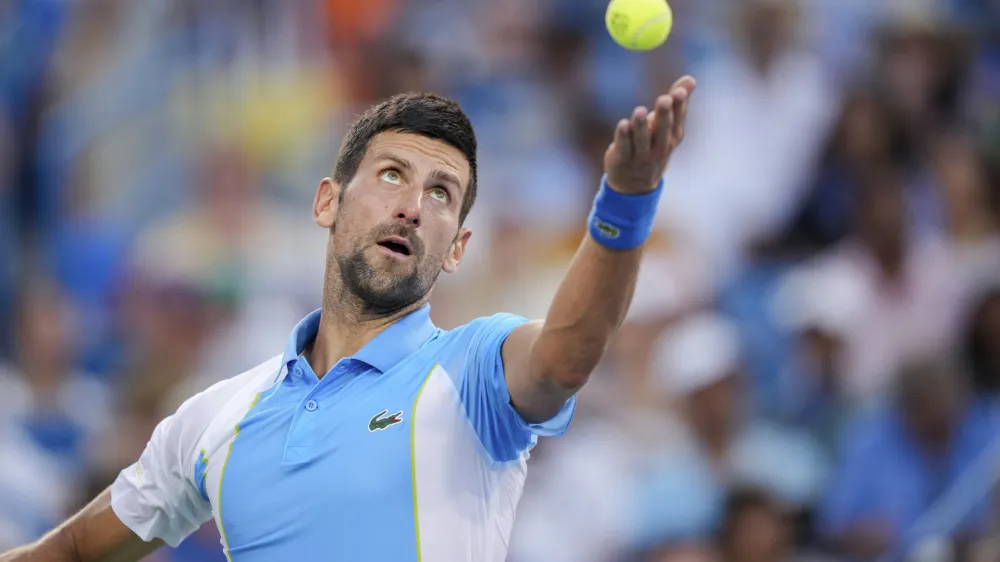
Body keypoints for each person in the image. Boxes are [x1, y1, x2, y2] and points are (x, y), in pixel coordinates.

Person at [0, 78, 697, 561]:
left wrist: (626, 201)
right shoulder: (214, 417)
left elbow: (567, 356)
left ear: (457, 248)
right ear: (327, 202)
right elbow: (71, 551)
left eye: (442, 193)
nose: (412, 206)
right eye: (392, 175)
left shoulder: (474, 370)